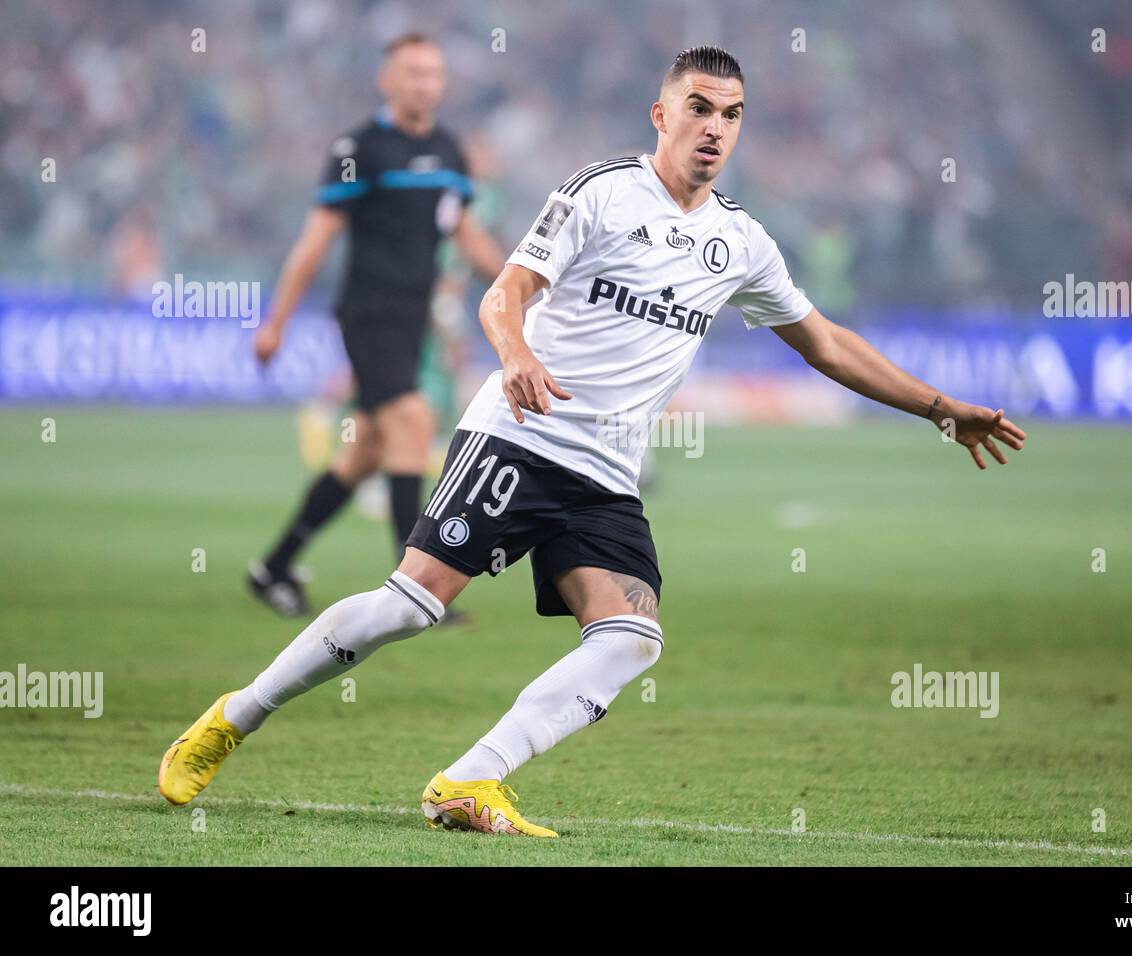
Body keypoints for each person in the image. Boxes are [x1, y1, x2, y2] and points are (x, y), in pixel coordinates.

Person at [160, 46, 1026, 837]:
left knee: (631, 638)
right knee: (410, 605)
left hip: (605, 476)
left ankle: (470, 780)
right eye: (698, 108)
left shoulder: (741, 243)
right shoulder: (600, 192)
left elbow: (827, 343)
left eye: (730, 115)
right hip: (521, 436)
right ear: (661, 115)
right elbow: (503, 293)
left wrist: (943, 408)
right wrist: (516, 353)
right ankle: (237, 717)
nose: (714, 129)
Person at [247, 32, 504, 616]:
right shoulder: (356, 148)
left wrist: (520, 283)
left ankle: (275, 566)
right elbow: (315, 239)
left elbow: (466, 233)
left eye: (433, 73)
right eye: (412, 73)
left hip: (412, 319)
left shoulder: (448, 150)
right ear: (386, 81)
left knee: (363, 451)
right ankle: (412, 589)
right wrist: (276, 322)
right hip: (367, 315)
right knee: (412, 421)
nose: (424, 84)